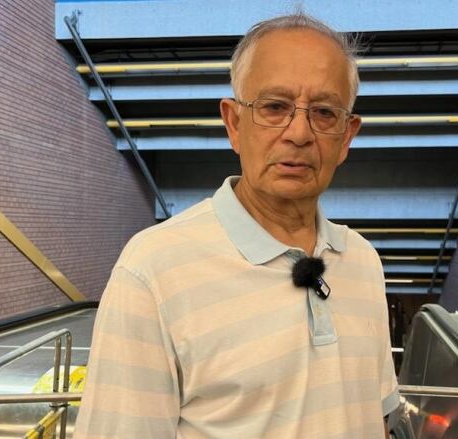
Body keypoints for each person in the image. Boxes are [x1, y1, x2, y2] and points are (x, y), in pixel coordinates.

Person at [75, 12, 399, 439]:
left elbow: (373, 416)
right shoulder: (153, 271)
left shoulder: (362, 260)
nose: (299, 133)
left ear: (347, 136)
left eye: (323, 112)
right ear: (234, 123)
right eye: (274, 107)